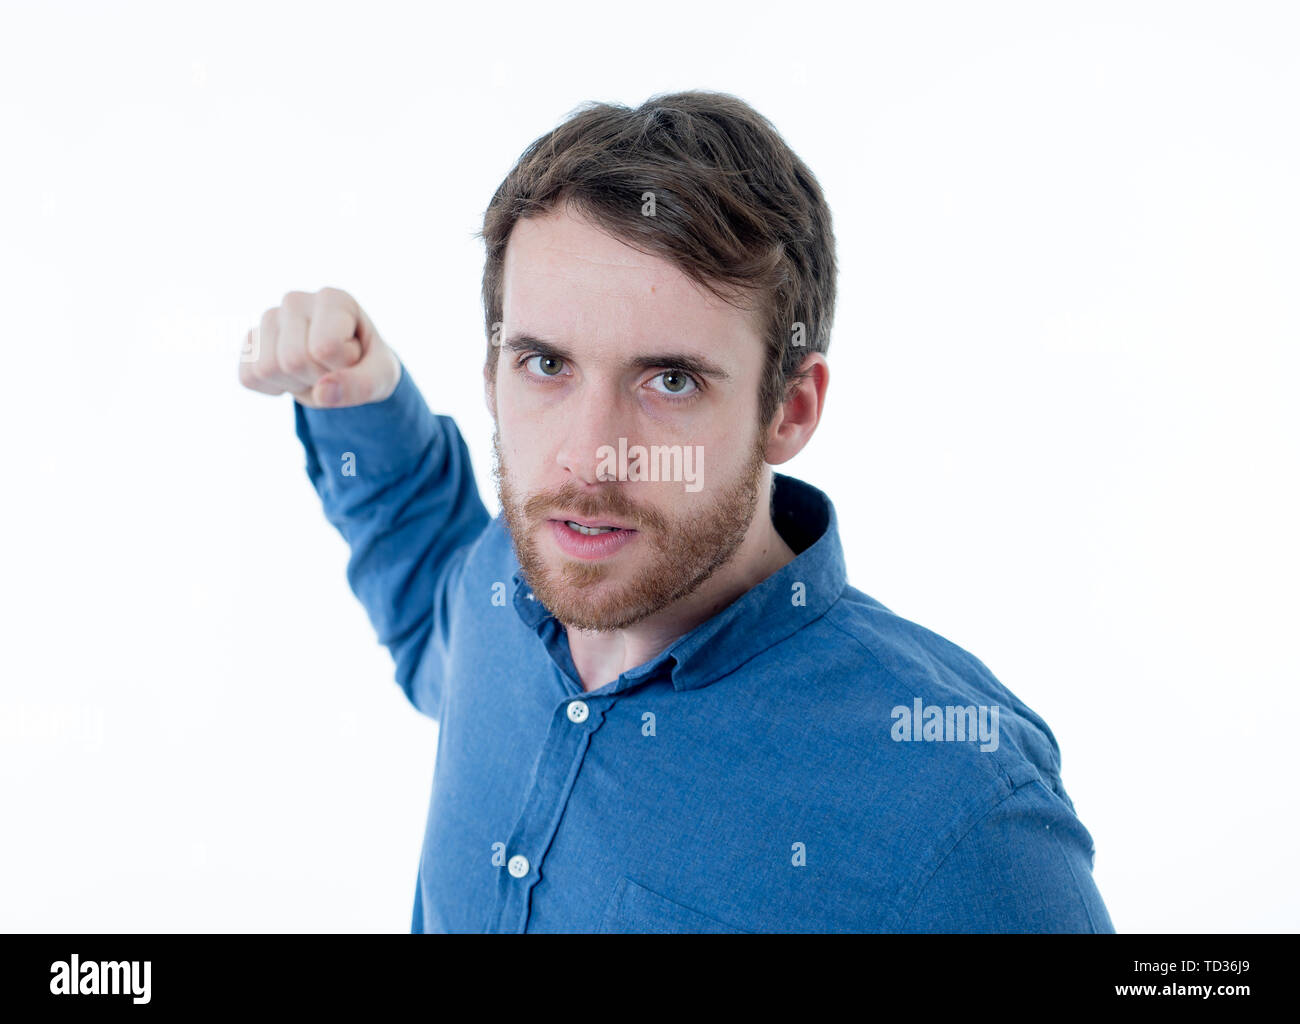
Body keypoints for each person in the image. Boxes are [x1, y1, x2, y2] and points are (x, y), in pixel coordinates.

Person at [238, 90, 1114, 933]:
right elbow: (432, 603)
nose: (588, 457)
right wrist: (358, 403)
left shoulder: (955, 809)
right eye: (545, 365)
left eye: (670, 380)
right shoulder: (504, 585)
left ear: (790, 408)